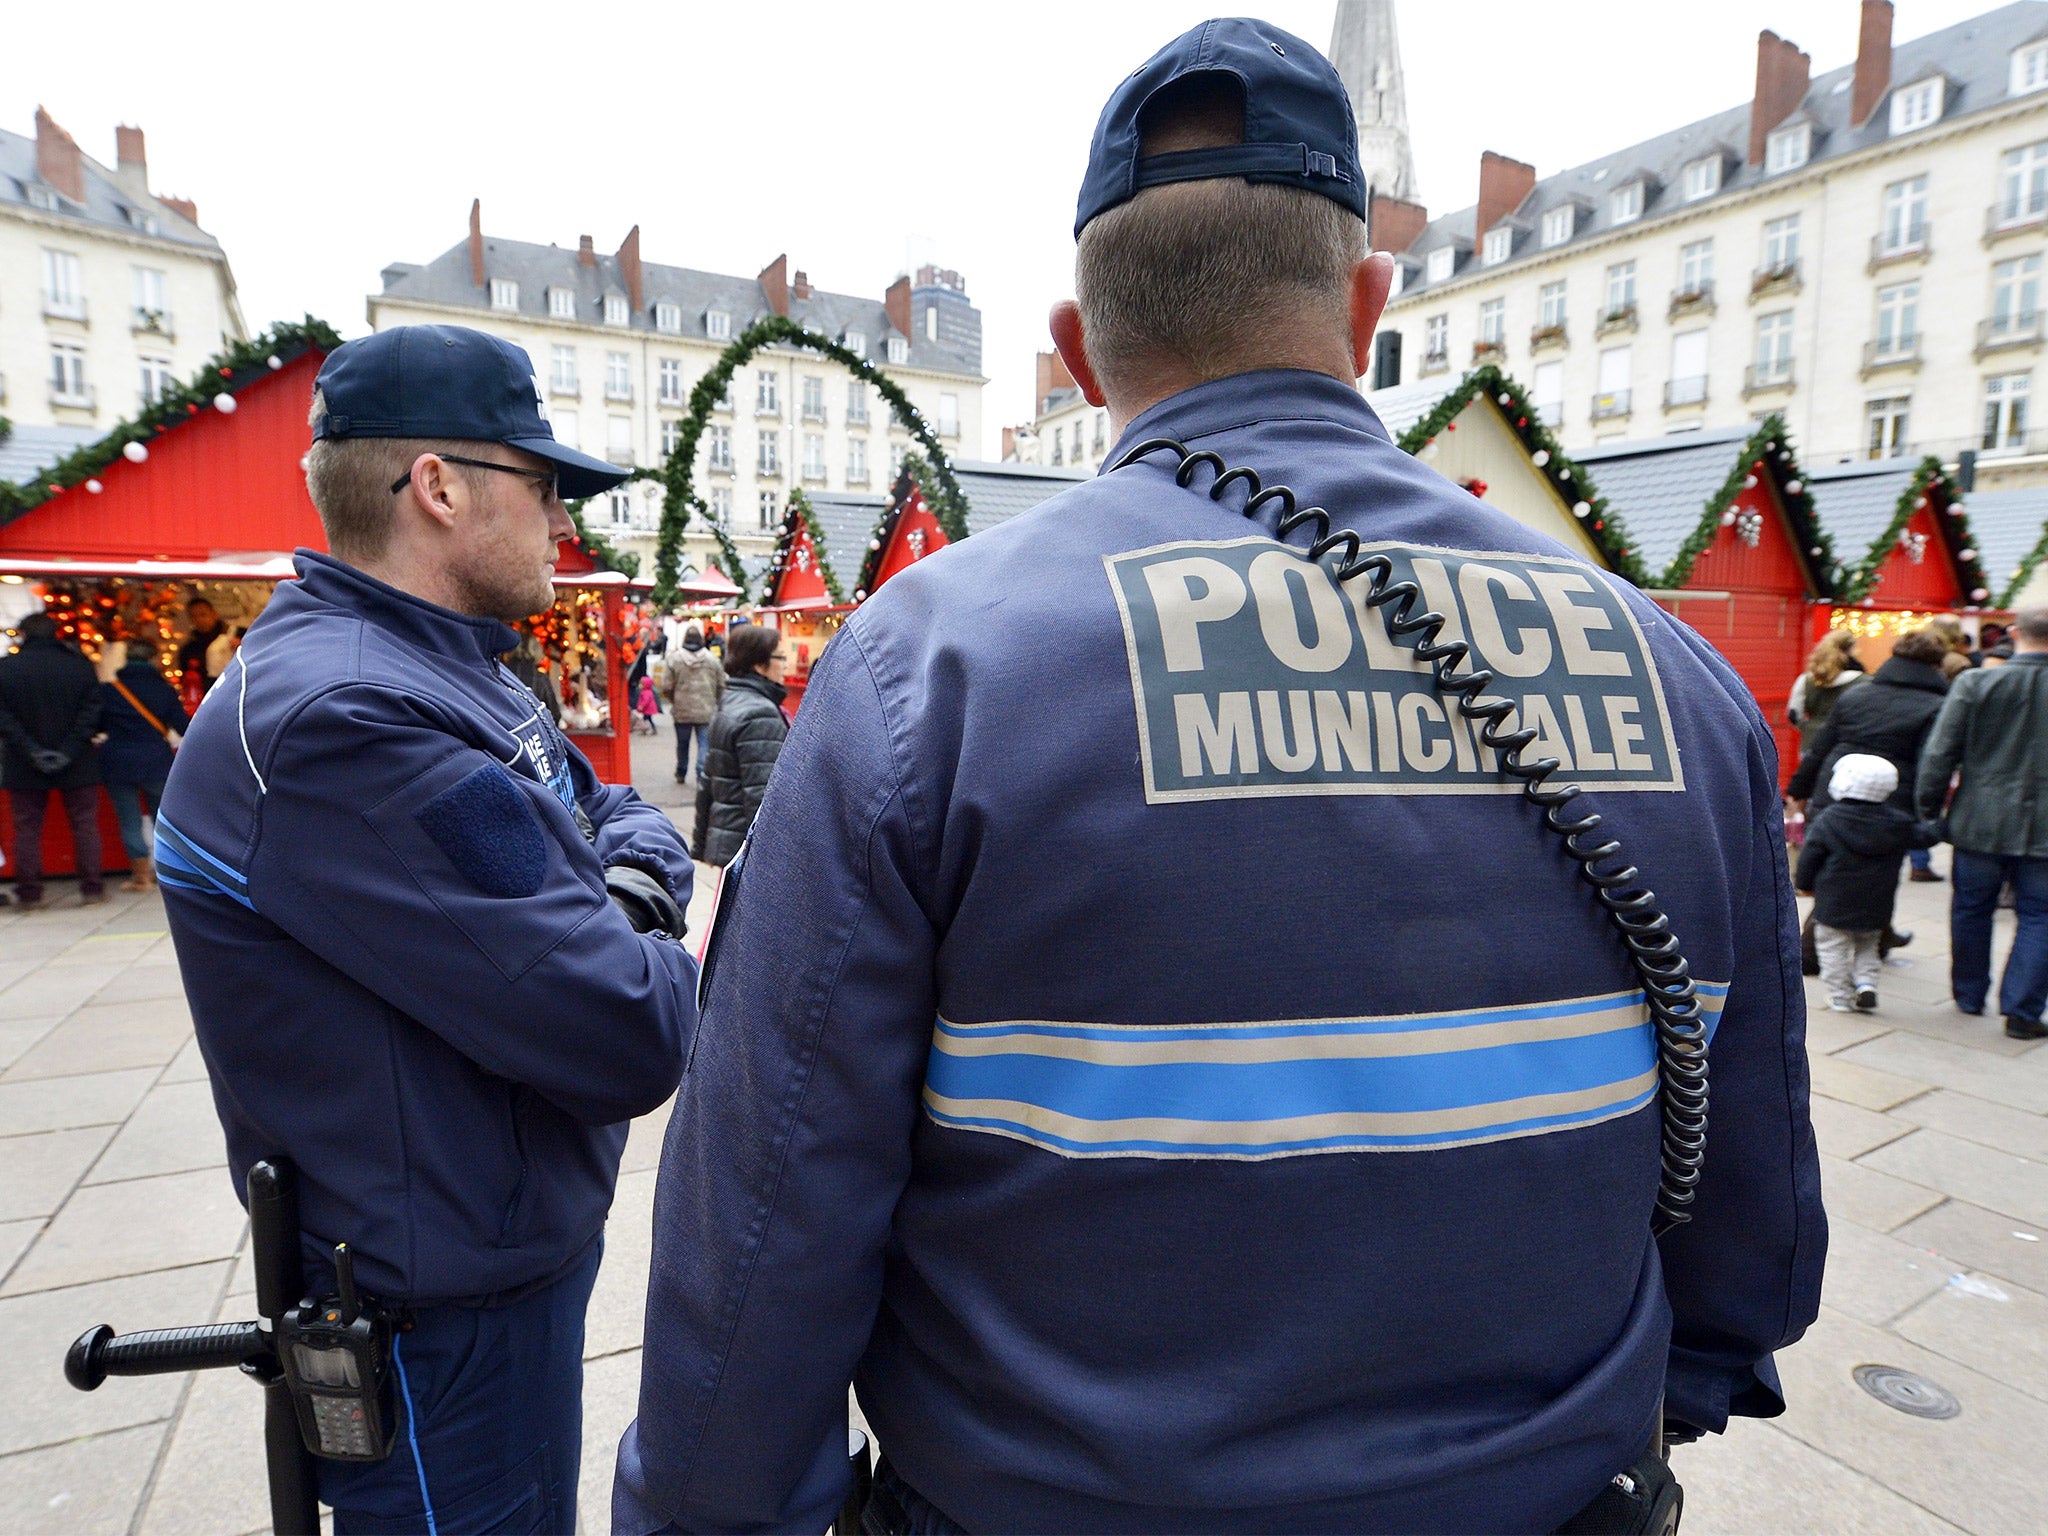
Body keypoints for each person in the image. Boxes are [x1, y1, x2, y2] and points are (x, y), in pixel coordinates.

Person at [617, 22, 1824, 1533]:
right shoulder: (1681, 686)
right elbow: (1755, 1246)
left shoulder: (927, 674)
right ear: (1369, 305)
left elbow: (764, 1233)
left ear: (1077, 345)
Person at [157, 325, 700, 1534]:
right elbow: (630, 1023)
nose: (564, 521)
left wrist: (620, 888)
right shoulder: (350, 715)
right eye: (545, 485)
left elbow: (617, 811)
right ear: (440, 488)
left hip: (490, 1256)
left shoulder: (454, 671)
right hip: (438, 1319)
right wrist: (635, 906)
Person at [1916, 605, 2048, 1040]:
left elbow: (1940, 753)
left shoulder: (1977, 682)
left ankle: (1969, 995)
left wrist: (1928, 809)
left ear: (2012, 633)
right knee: (2040, 916)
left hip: (1979, 818)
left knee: (1972, 908)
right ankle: (2022, 1010)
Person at [1788, 627, 1949, 860]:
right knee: (1874, 878)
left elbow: (1821, 748)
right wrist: (1928, 813)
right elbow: (1930, 763)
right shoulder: (1937, 706)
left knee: (1830, 873)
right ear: (1937, 665)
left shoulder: (1857, 694)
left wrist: (1799, 789)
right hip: (1889, 803)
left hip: (1835, 788)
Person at [1795, 754, 1938, 1013]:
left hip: (1834, 902)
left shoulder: (1829, 819)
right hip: (1877, 903)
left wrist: (1804, 883)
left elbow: (1810, 856)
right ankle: (1866, 984)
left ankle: (1841, 996)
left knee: (1832, 949)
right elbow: (1924, 837)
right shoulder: (1897, 822)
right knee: (1867, 946)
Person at [0, 611, 105, 908]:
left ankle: (30, 892)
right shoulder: (80, 668)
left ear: (23, 634)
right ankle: (91, 889)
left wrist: (32, 750)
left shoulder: (6, 669)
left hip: (23, 762)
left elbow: (4, 718)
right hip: (78, 760)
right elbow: (91, 713)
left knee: (27, 829)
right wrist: (68, 750)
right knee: (85, 824)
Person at [689, 622, 787, 867]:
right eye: (780, 657)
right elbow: (763, 797)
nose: (785, 664)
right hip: (747, 849)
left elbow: (707, 783)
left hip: (726, 844)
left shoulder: (730, 702)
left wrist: (700, 845)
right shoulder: (759, 713)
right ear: (759, 663)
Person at [95, 638, 188, 891]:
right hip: (156, 760)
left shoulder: (110, 691)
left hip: (117, 761)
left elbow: (97, 725)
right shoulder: (164, 690)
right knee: (164, 819)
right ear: (154, 659)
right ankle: (170, 873)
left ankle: (141, 878)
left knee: (129, 820)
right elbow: (183, 726)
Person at [1785, 630, 1865, 759]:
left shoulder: (1807, 679)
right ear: (1851, 650)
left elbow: (1793, 714)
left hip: (1811, 743)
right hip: (1848, 747)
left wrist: (1808, 727)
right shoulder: (1863, 681)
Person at [662, 622, 724, 784]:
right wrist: (715, 701)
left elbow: (666, 686)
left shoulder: (674, 659)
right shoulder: (712, 659)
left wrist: (673, 699)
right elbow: (722, 684)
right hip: (706, 710)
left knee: (682, 744)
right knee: (704, 744)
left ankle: (681, 772)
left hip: (682, 710)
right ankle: (701, 773)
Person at [174, 597, 228, 709]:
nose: (199, 620)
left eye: (203, 615)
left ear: (214, 614)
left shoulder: (234, 638)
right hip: (203, 703)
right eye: (194, 617)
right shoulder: (189, 649)